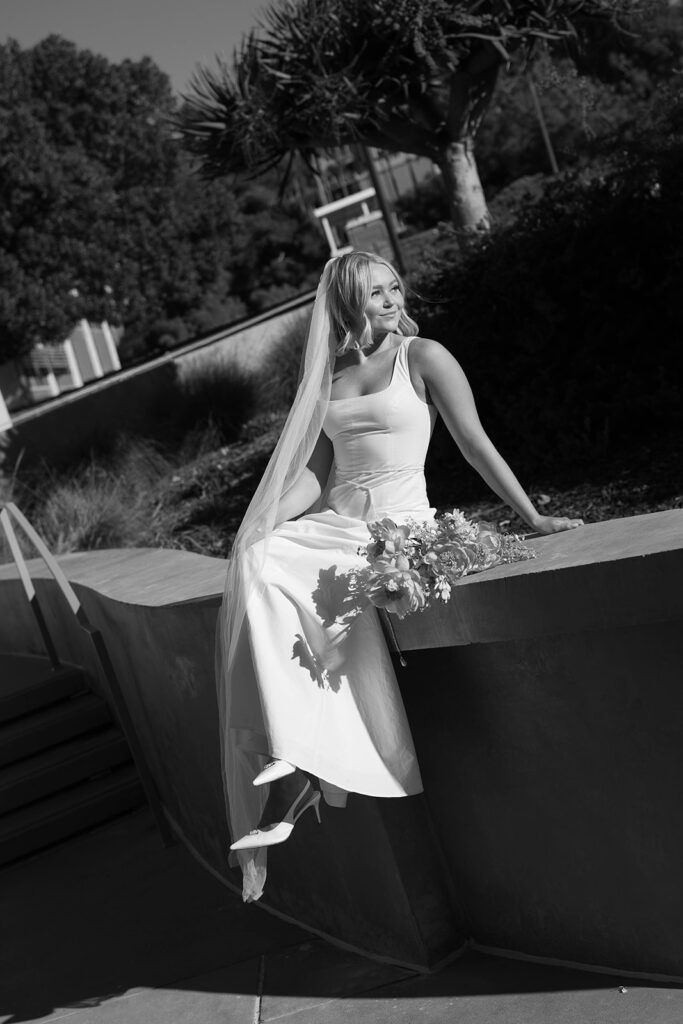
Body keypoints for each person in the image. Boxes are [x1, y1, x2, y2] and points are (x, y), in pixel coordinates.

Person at [217, 250, 583, 902]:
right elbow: (316, 475)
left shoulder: (424, 358)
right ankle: (293, 750)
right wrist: (265, 518)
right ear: (347, 304)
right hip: (336, 521)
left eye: (392, 288)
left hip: (398, 528)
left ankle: (300, 777)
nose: (389, 300)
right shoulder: (327, 377)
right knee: (260, 560)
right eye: (373, 293)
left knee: (340, 597)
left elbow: (472, 442)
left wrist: (530, 515)